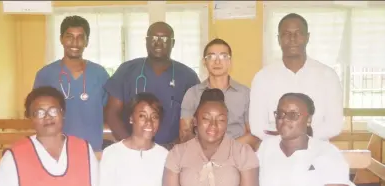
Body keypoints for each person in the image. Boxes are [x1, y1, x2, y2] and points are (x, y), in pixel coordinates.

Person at [255, 92, 362, 186]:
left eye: (293, 115)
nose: (283, 120)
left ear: (309, 119)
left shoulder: (326, 151)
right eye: (280, 114)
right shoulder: (266, 147)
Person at [163, 88, 259, 186]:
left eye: (220, 120)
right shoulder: (178, 153)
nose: (213, 125)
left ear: (227, 123)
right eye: (206, 118)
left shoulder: (243, 152)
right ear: (195, 121)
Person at [104, 21, 200, 150]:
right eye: (153, 38)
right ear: (146, 41)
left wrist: (178, 148)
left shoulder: (188, 76)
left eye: (164, 38)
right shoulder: (127, 70)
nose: (158, 42)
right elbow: (112, 112)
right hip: (133, 148)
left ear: (173, 43)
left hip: (174, 150)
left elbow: (198, 119)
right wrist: (130, 144)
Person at [249, 13, 343, 142]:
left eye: (298, 33)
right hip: (275, 152)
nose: (292, 39)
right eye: (286, 34)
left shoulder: (328, 76)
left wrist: (300, 137)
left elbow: (335, 125)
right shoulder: (262, 77)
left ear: (307, 37)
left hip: (317, 151)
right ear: (278, 39)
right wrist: (286, 139)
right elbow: (257, 127)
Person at [97, 92, 168, 186]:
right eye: (142, 116)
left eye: (154, 117)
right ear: (131, 118)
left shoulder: (165, 155)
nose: (149, 122)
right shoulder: (112, 153)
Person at [33, 15, 110, 151]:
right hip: (55, 151)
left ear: (86, 42)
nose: (75, 43)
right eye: (69, 37)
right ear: (61, 39)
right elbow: (36, 114)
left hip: (91, 151)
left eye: (81, 37)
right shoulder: (45, 75)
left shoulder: (100, 74)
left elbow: (109, 112)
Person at [180, 38, 259, 150]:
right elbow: (185, 133)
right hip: (201, 156)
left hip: (236, 154)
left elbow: (253, 135)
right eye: (211, 57)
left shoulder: (245, 93)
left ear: (230, 61)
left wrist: (224, 151)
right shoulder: (192, 93)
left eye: (223, 56)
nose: (217, 61)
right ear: (204, 62)